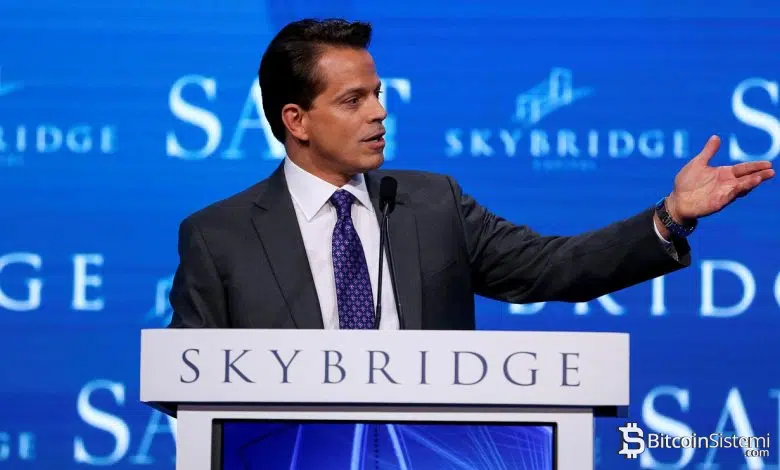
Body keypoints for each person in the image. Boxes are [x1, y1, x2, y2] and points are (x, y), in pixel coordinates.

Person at [167, 18, 774, 330]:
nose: (379, 112)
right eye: (353, 100)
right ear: (295, 120)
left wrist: (670, 216)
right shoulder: (218, 236)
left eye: (377, 94)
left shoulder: (433, 204)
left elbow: (553, 267)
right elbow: (185, 385)